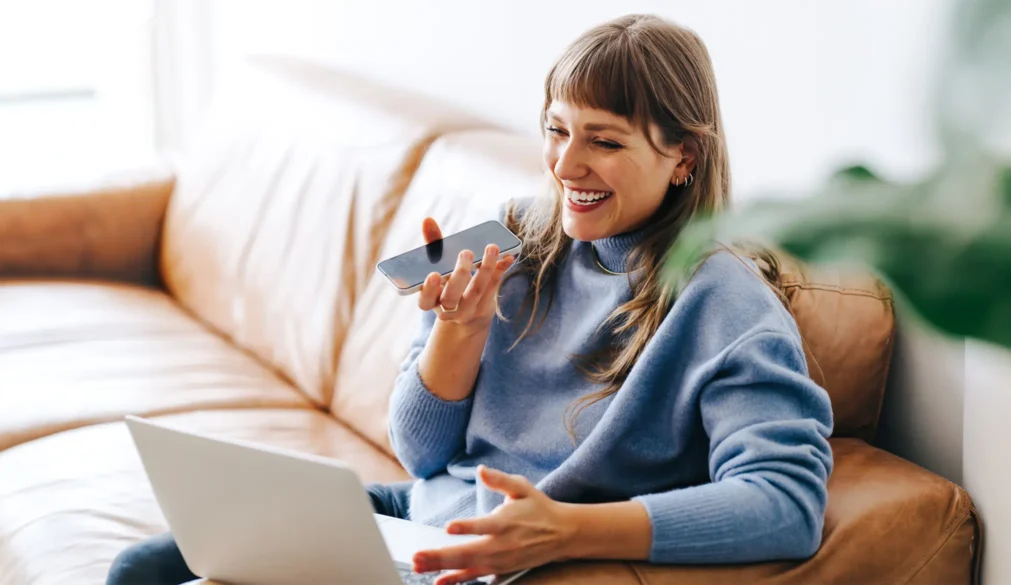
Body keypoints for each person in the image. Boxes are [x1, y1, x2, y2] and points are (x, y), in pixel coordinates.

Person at [107, 13, 832, 585]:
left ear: (685, 158)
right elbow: (420, 454)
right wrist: (461, 331)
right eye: (556, 130)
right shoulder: (512, 232)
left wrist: (569, 529)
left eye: (604, 142)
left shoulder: (724, 302)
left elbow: (786, 502)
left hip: (488, 556)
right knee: (141, 567)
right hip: (417, 514)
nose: (567, 165)